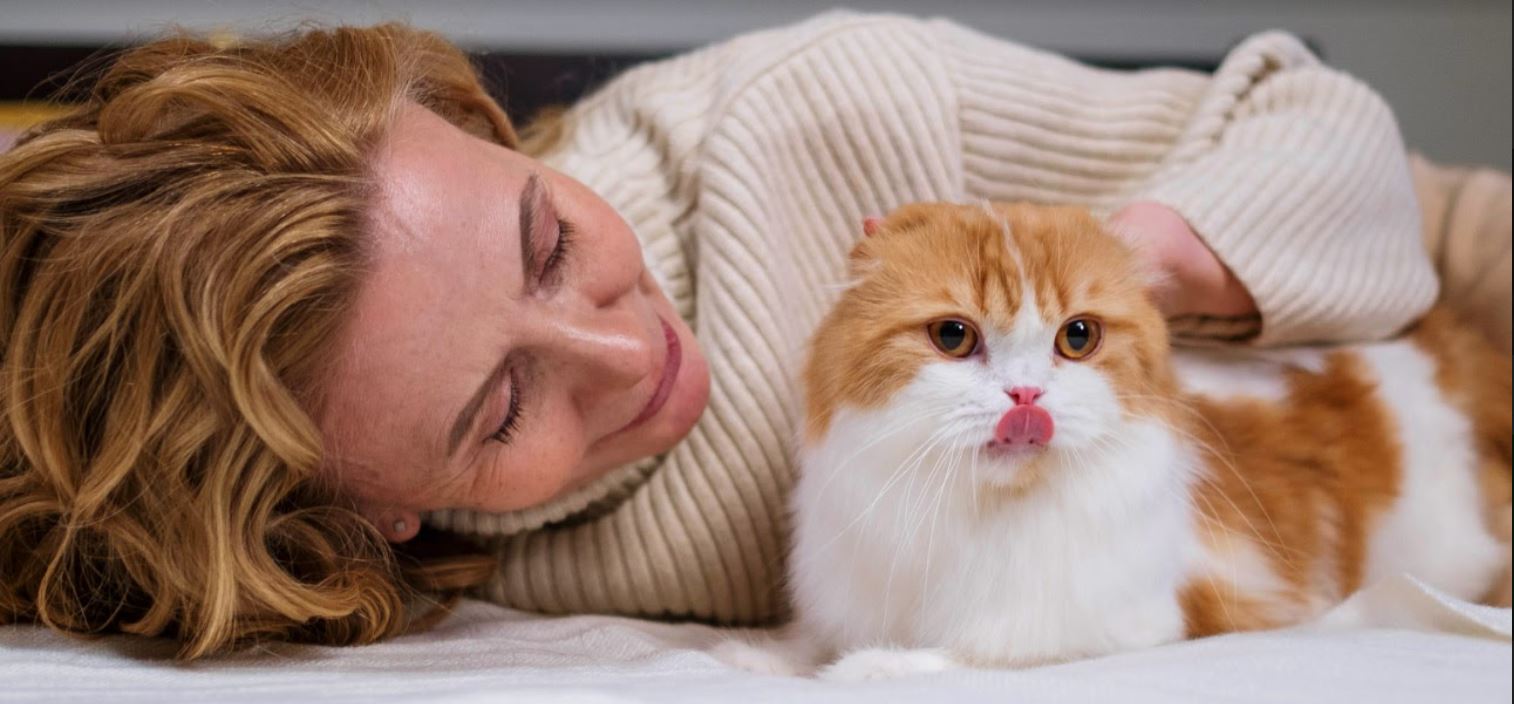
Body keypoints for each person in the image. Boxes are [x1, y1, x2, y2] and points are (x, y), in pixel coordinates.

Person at [1, 11, 1506, 657]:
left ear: (486, 130)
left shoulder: (831, 104)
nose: (625, 359)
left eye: (549, 240)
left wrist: (1131, 271)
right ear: (373, 514)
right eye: (498, 411)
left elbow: (1320, 121)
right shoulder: (444, 572)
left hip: (1420, 256)